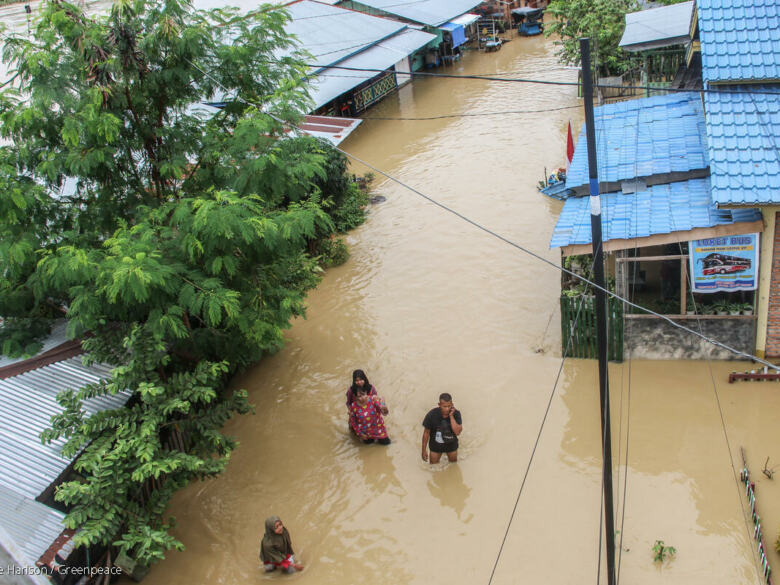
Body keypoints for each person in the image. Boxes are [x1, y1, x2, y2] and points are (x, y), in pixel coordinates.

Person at [421, 393, 462, 463]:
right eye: (444, 406)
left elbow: (457, 432)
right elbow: (426, 433)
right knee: (433, 467)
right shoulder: (431, 415)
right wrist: (423, 450)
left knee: (453, 466)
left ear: (452, 404)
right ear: (439, 405)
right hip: (435, 446)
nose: (447, 409)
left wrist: (451, 416)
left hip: (451, 446)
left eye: (449, 406)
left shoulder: (456, 414)